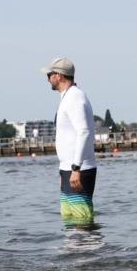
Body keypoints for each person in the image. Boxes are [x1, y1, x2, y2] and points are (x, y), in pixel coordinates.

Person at [42, 57, 97, 225]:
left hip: (79, 169)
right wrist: (64, 170)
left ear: (59, 75)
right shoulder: (67, 97)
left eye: (49, 75)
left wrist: (76, 168)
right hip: (68, 169)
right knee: (69, 221)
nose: (47, 79)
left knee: (81, 221)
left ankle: (87, 243)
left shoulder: (74, 97)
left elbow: (84, 131)